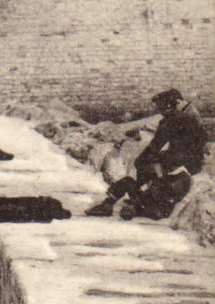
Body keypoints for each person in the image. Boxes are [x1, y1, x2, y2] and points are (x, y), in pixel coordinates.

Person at [86, 88, 207, 220]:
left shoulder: (180, 119)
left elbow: (159, 143)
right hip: (177, 165)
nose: (161, 112)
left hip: (182, 164)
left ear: (175, 104)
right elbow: (159, 145)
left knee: (144, 174)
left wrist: (150, 161)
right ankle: (113, 204)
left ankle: (117, 205)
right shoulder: (182, 114)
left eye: (163, 108)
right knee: (143, 173)